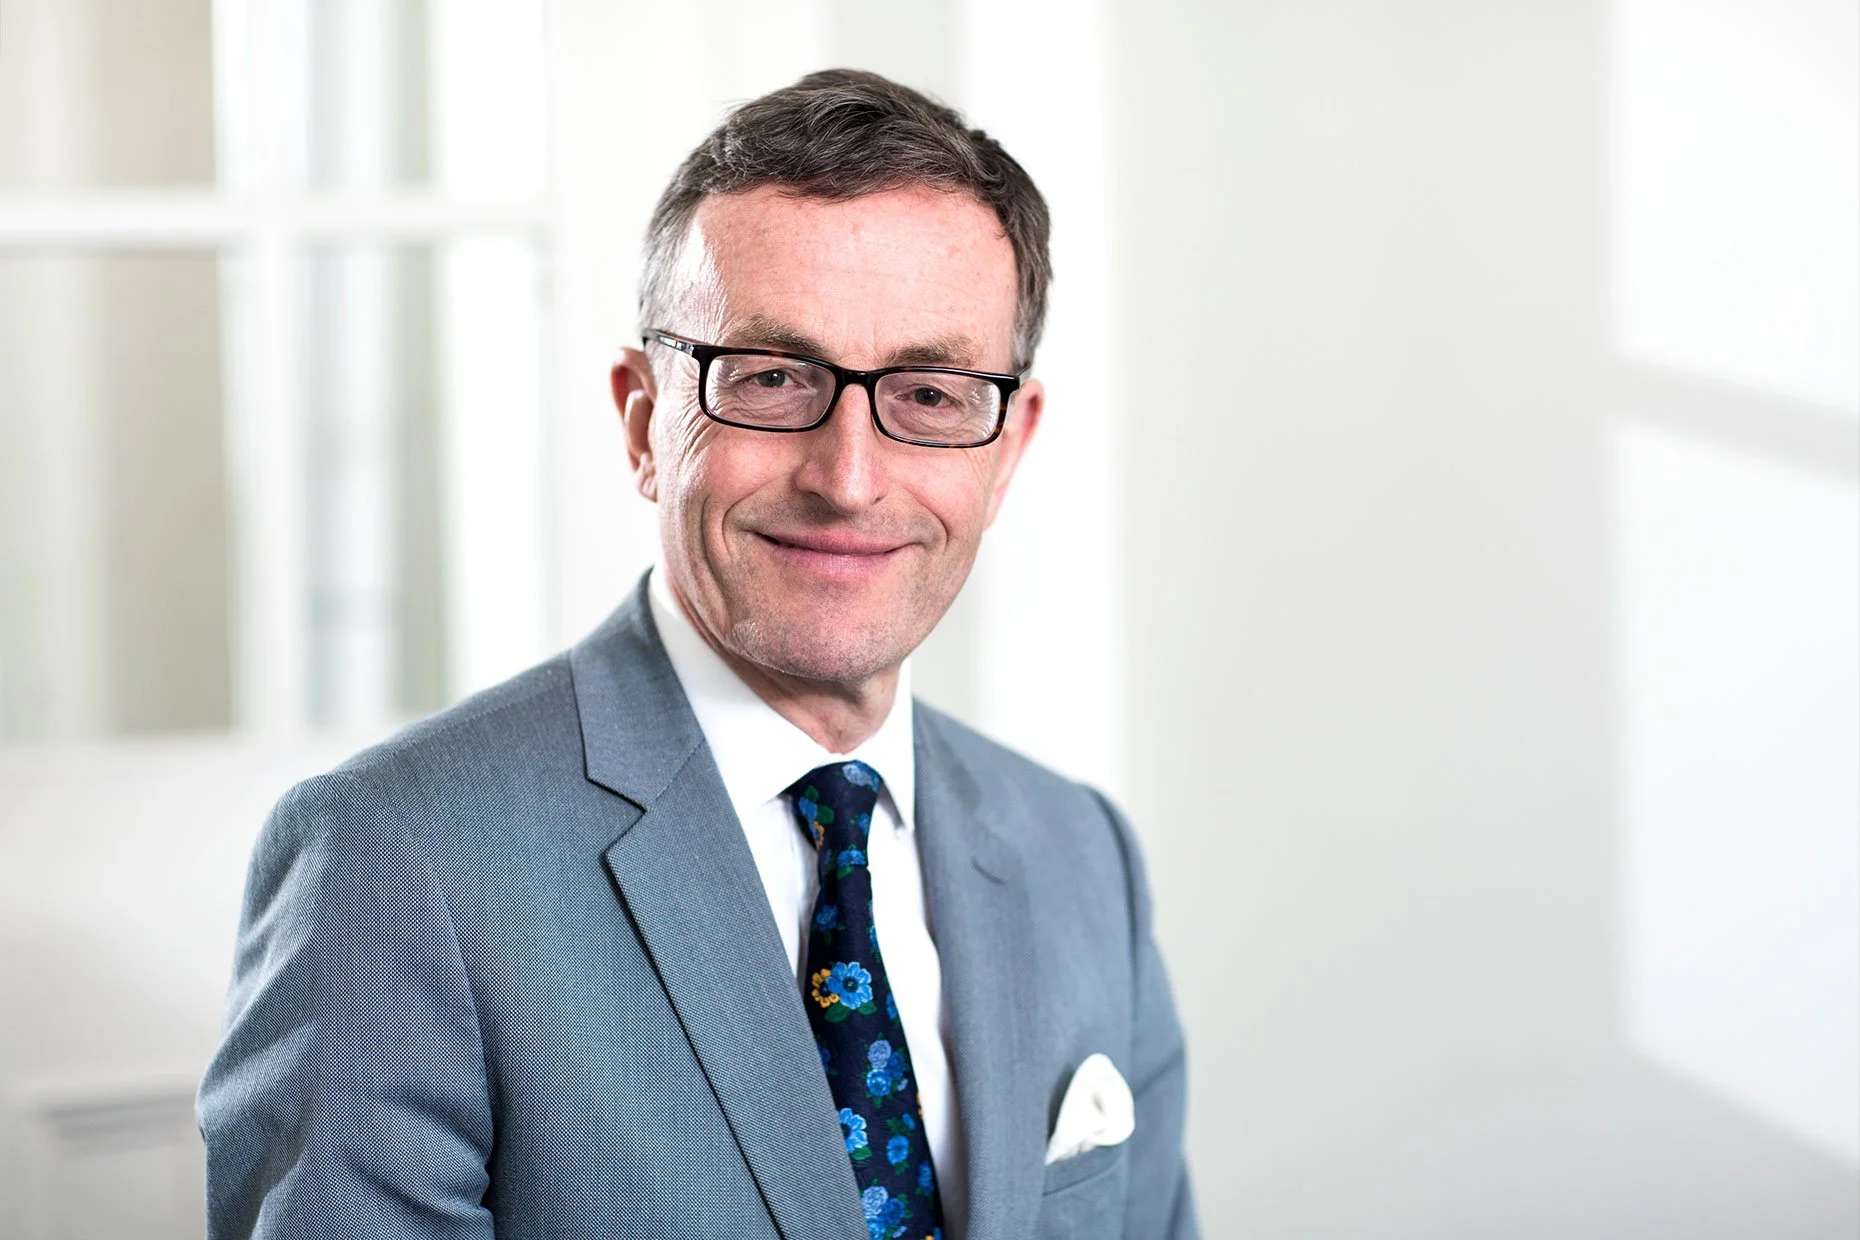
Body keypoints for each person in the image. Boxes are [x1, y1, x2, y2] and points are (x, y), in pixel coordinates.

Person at [198, 68, 1197, 1240]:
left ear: (1008, 446)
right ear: (642, 422)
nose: (850, 476)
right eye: (774, 379)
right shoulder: (395, 866)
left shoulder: (1083, 856)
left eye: (928, 394)